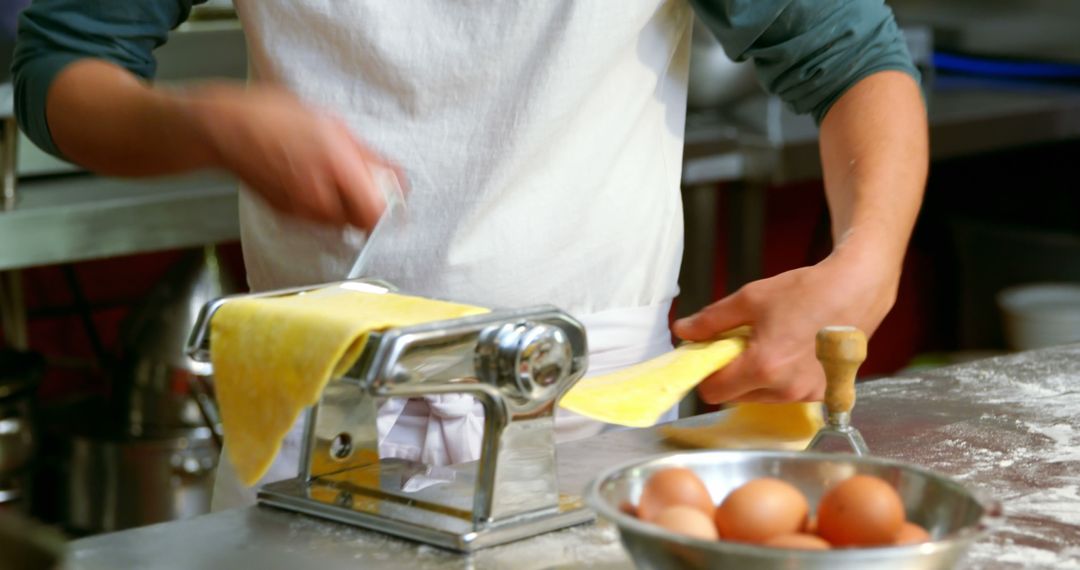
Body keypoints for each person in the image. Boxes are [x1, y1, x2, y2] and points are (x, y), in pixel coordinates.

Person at [13, 0, 928, 508]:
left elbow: (854, 62)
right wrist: (201, 124)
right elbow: (63, 67)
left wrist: (869, 260)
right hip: (314, 425)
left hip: (588, 435)